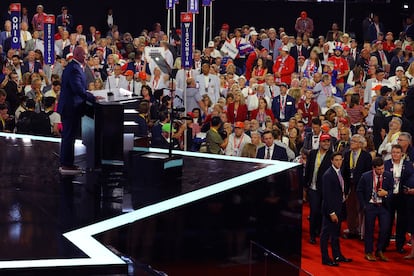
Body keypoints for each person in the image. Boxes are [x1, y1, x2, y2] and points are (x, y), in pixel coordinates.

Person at [58, 46, 99, 175]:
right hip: (71, 108)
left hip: (71, 107)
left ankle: (68, 163)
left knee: (69, 136)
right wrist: (93, 97)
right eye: (84, 54)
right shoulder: (74, 69)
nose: (86, 57)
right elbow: (78, 90)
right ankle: (66, 164)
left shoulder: (73, 67)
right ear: (78, 55)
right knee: (69, 136)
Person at [357, 157, 393, 262]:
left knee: (385, 229)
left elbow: (392, 190)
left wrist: (386, 194)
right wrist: (364, 205)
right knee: (369, 230)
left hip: (383, 206)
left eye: (382, 168)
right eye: (378, 169)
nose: (381, 171)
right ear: (373, 168)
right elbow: (359, 191)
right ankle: (368, 252)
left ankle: (379, 250)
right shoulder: (365, 176)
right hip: (371, 206)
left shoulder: (388, 176)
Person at [320, 152, 353, 266]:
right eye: (336, 160)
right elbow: (327, 196)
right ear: (332, 161)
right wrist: (331, 212)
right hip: (330, 210)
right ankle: (325, 259)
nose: (339, 162)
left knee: (335, 234)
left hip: (339, 208)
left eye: (340, 159)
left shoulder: (339, 171)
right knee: (325, 234)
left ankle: (337, 255)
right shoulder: (328, 175)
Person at [384, 144, 414, 253]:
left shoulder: (408, 165)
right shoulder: (386, 164)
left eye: (397, 152)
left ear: (402, 154)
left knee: (401, 222)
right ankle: (384, 244)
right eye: (393, 152)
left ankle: (400, 245)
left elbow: (411, 179)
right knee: (387, 221)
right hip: (389, 196)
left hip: (403, 197)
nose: (395, 154)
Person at [342, 134, 372, 240]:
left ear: (360, 144)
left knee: (361, 208)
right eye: (351, 141)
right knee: (350, 208)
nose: (351, 143)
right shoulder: (347, 154)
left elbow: (368, 173)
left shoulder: (366, 156)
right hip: (349, 184)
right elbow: (344, 170)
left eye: (354, 141)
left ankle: (362, 231)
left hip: (361, 186)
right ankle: (352, 229)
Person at [304, 133, 333, 244]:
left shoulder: (331, 155)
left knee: (323, 212)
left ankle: (319, 232)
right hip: (313, 187)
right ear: (320, 142)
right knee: (314, 211)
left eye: (328, 141)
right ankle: (312, 234)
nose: (326, 143)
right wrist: (305, 185)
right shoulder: (313, 153)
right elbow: (308, 169)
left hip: (325, 189)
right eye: (324, 141)